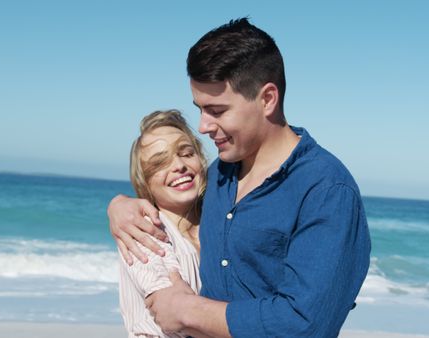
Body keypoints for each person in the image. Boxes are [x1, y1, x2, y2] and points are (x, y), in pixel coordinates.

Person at [109, 18, 371, 337]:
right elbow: (172, 198)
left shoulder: (326, 190)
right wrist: (119, 205)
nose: (203, 126)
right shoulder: (218, 176)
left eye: (217, 111)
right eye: (200, 109)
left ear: (267, 99)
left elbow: (304, 324)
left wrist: (184, 309)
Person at [117, 109, 208, 338]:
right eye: (160, 163)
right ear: (145, 183)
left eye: (186, 153)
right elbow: (177, 316)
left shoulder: (218, 219)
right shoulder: (144, 230)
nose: (178, 165)